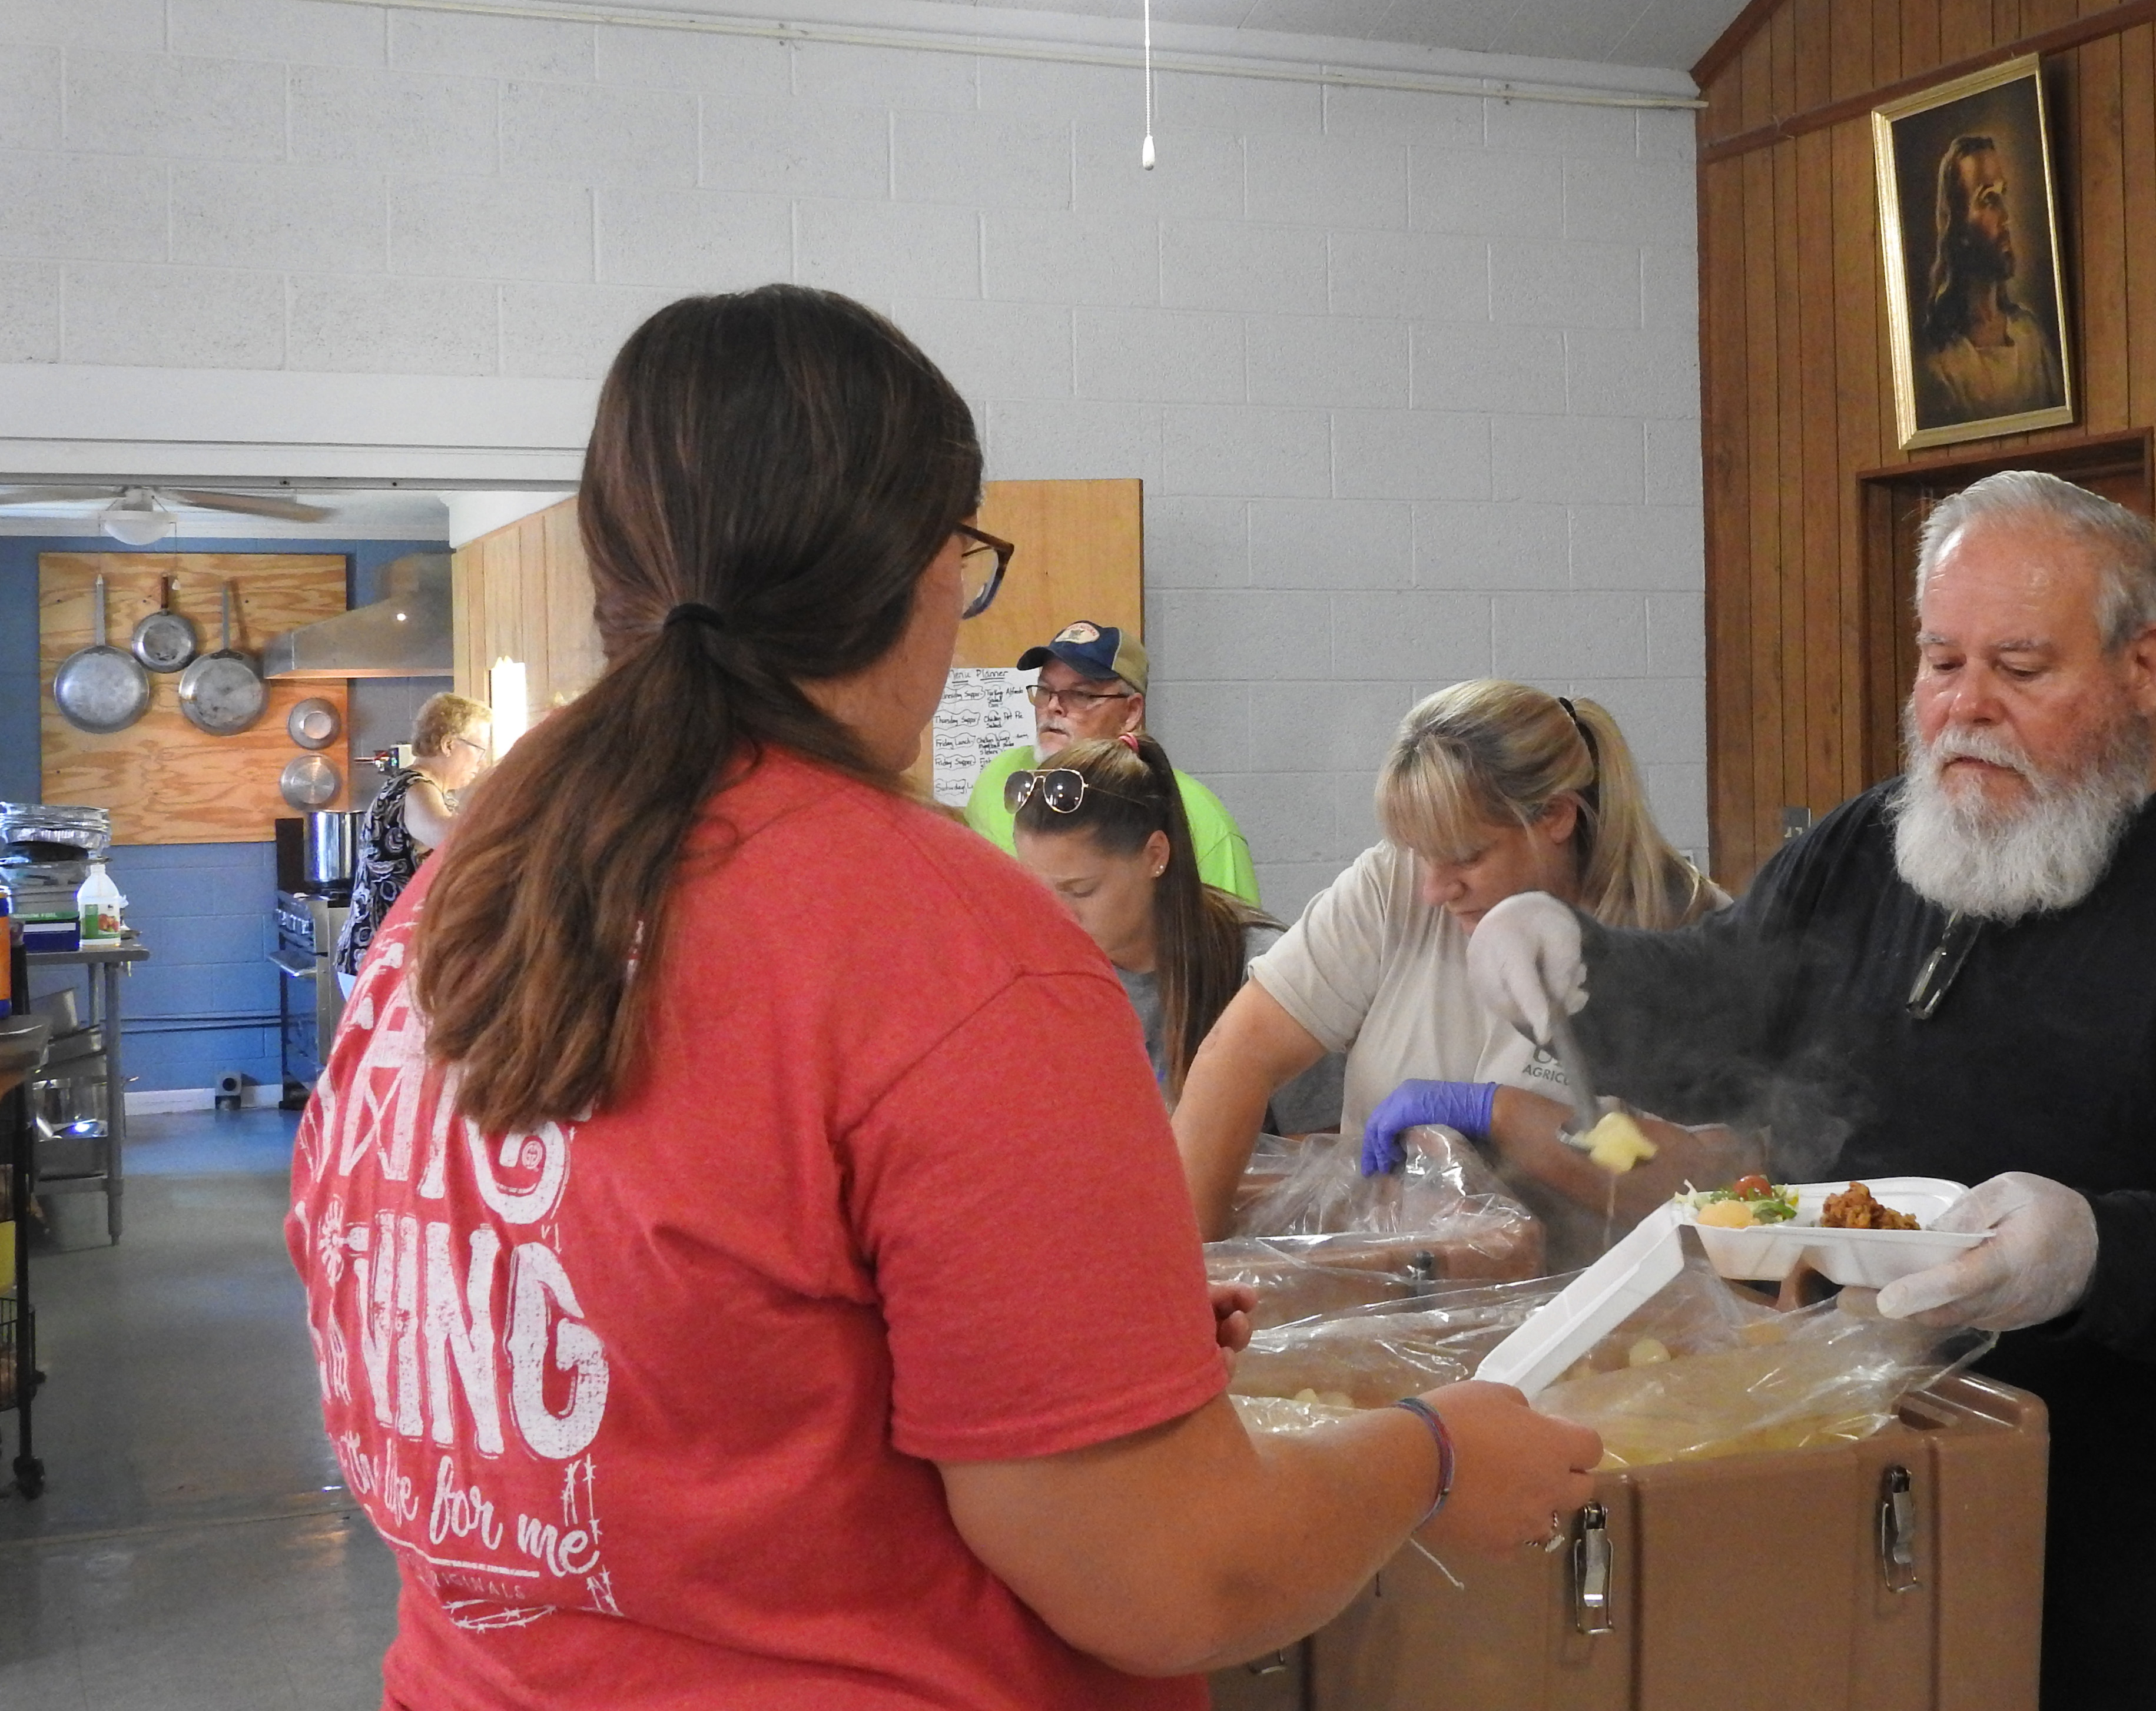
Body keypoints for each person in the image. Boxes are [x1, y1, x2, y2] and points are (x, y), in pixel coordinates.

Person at [283, 285, 1598, 1709]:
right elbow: (1178, 1573)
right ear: (919, 567)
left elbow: (655, 1335)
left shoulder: (466, 894)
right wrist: (1437, 1452)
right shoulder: (942, 942)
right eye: (964, 560)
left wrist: (1086, 1339)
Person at [1468, 470, 2156, 1711]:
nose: (1963, 710)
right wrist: (1576, 965)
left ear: (2144, 667)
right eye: (1939, 663)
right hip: (1910, 1524)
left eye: (2020, 670)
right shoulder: (1873, 845)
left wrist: (2099, 1251)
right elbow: (1728, 1014)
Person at [1172, 680, 1732, 1263]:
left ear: (1556, 817)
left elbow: (1717, 1189)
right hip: (1408, 1309)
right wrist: (1188, 1283)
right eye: (1419, 852)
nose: (1434, 889)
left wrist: (1496, 1114)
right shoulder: (1391, 889)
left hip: (1610, 1320)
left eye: (1466, 856)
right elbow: (1236, 1057)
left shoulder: (1692, 939)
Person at [1011, 731, 1341, 1134]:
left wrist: (1185, 1176)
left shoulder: (1264, 973)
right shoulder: (1042, 972)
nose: (1057, 917)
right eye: (1035, 892)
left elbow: (1326, 1163)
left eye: (1080, 890)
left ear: (1155, 855)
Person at [965, 622, 1259, 904]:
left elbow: (1233, 941)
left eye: (1081, 695)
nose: (1053, 707)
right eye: (1044, 690)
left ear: (1131, 713)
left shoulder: (1196, 815)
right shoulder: (1001, 778)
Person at [333, 690, 489, 998]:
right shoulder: (417, 790)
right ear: (449, 745)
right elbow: (457, 840)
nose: (481, 763)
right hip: (382, 961)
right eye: (479, 750)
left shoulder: (420, 788)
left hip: (380, 956)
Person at [1919, 134, 2062, 425]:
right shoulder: (1944, 366)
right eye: (1988, 200)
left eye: (2002, 196)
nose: (2006, 217)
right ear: (1957, 226)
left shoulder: (2030, 336)